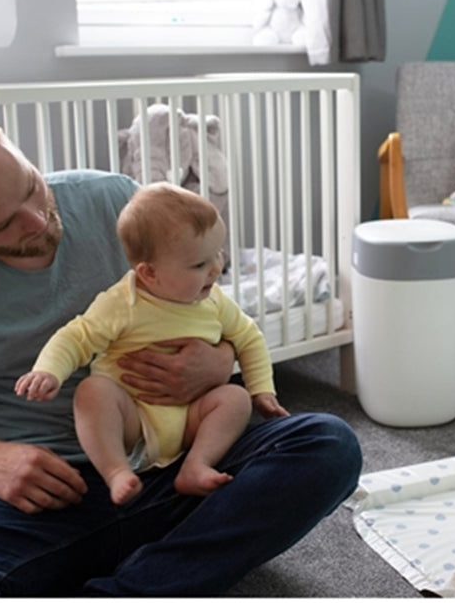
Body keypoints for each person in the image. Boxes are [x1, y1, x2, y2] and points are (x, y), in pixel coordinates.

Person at [0, 101, 362, 597]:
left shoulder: (114, 200)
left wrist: (220, 362)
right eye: (3, 225)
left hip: (175, 461)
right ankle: (161, 576)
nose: (37, 221)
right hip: (46, 493)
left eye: (31, 186)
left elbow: (211, 309)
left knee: (328, 444)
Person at [15, 182, 289, 503]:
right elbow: (76, 337)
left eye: (217, 253)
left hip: (192, 417)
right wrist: (48, 371)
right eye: (199, 265)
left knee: (236, 399)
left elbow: (249, 337)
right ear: (149, 273)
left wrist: (262, 390)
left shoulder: (214, 301)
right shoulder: (123, 303)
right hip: (134, 420)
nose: (216, 269)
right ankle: (116, 471)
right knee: (92, 392)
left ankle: (197, 464)